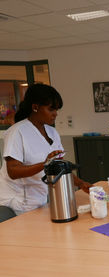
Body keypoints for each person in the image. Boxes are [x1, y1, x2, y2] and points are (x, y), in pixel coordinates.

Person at [0, 84, 91, 215]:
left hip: (40, 199)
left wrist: (82, 184)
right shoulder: (17, 132)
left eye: (57, 110)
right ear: (35, 107)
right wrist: (45, 164)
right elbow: (13, 171)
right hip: (17, 203)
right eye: (51, 109)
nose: (55, 114)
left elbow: (60, 167)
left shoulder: (52, 132)